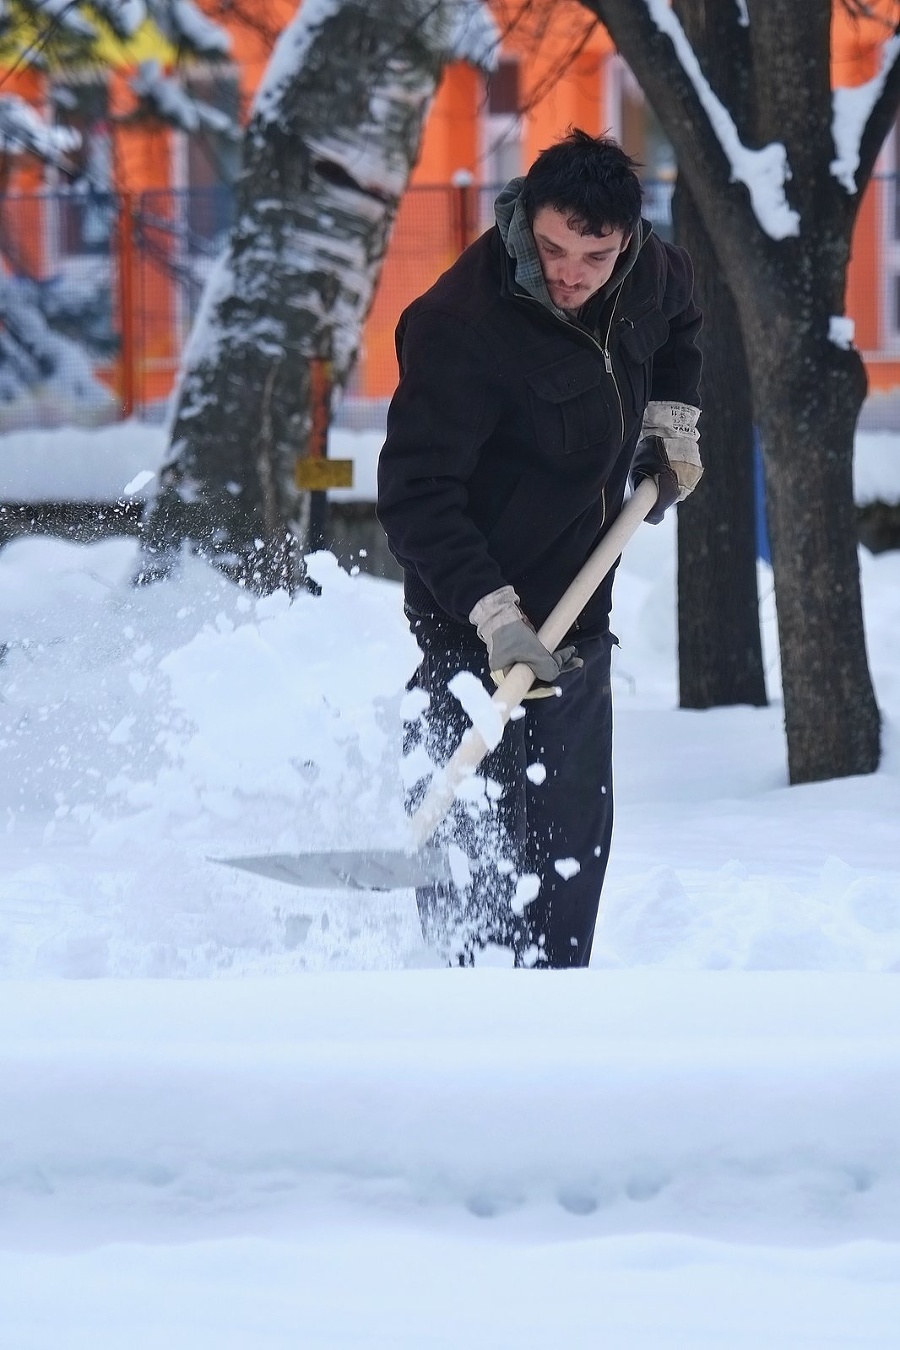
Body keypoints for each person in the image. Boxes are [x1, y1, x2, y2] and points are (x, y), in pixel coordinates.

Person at [376, 129, 703, 968]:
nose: (569, 271)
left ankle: (558, 1054)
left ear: (624, 240)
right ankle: (463, 1041)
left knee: (566, 870)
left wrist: (672, 420)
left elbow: (680, 321)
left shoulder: (644, 273)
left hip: (578, 618)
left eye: (593, 255)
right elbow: (416, 495)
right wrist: (491, 613)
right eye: (553, 248)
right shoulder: (461, 326)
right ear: (526, 217)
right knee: (478, 879)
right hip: (471, 631)